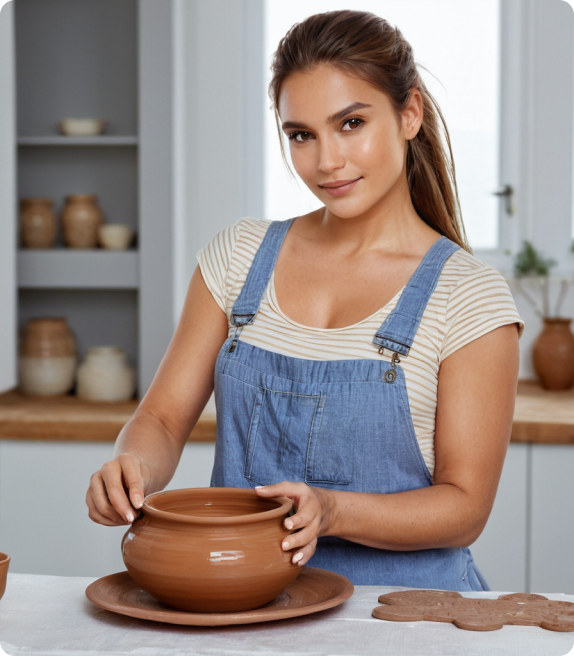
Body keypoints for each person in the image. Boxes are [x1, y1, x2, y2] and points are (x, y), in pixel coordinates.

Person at [87, 9, 523, 590]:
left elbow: (465, 506)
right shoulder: (239, 257)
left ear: (409, 114)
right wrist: (132, 468)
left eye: (351, 123)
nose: (326, 162)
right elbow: (163, 419)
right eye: (301, 135)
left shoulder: (468, 295)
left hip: (408, 618)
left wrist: (334, 509)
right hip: (248, 605)